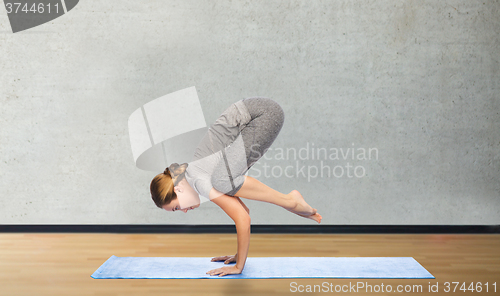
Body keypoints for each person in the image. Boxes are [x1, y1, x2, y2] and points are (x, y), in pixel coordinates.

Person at [150, 97, 322, 277]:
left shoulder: (199, 181)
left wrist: (239, 266)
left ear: (178, 189)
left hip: (261, 115)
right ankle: (290, 201)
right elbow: (243, 211)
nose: (184, 211)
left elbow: (242, 219)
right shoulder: (197, 175)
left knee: (222, 181)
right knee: (224, 181)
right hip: (260, 115)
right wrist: (239, 255)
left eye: (177, 207)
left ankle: (290, 201)